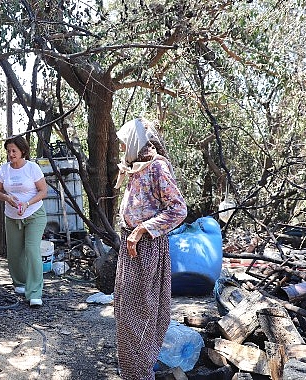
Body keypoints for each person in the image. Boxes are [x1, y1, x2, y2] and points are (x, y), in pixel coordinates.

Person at [113, 117, 187, 379]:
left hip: (146, 249)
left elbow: (178, 209)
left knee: (141, 313)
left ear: (136, 142)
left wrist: (142, 229)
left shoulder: (157, 167)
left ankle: (140, 372)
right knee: (124, 310)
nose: (122, 148)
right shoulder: (136, 166)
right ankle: (132, 371)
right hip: (130, 246)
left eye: (124, 143)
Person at [0, 135, 48, 307]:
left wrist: (27, 203)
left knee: (32, 250)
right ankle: (20, 283)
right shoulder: (4, 170)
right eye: (8, 151)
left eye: (14, 151)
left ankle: (34, 293)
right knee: (15, 253)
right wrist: (7, 198)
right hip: (12, 215)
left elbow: (43, 191)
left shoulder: (32, 168)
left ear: (22, 151)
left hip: (34, 214)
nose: (11, 154)